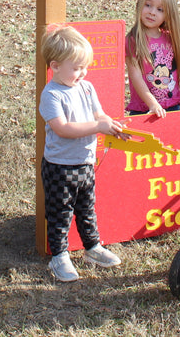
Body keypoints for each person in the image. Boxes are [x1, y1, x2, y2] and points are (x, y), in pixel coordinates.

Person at [39, 24, 125, 282]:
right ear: (55, 66)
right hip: (59, 167)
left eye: (85, 67)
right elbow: (62, 128)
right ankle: (59, 256)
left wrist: (108, 123)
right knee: (60, 212)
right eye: (76, 68)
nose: (82, 73)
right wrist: (98, 126)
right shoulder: (52, 94)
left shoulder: (86, 88)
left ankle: (92, 247)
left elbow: (99, 114)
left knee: (87, 208)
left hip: (85, 163)